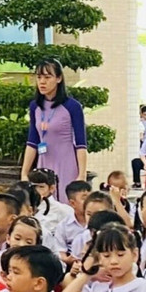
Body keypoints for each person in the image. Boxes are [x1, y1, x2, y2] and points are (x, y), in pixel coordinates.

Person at [20, 59, 87, 200]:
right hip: (43, 163)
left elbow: (81, 144)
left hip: (66, 163)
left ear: (59, 78)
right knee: (43, 204)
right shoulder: (35, 106)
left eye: (47, 77)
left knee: (65, 203)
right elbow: (32, 141)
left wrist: (82, 175)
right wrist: (24, 173)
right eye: (39, 77)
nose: (42, 82)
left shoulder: (72, 106)